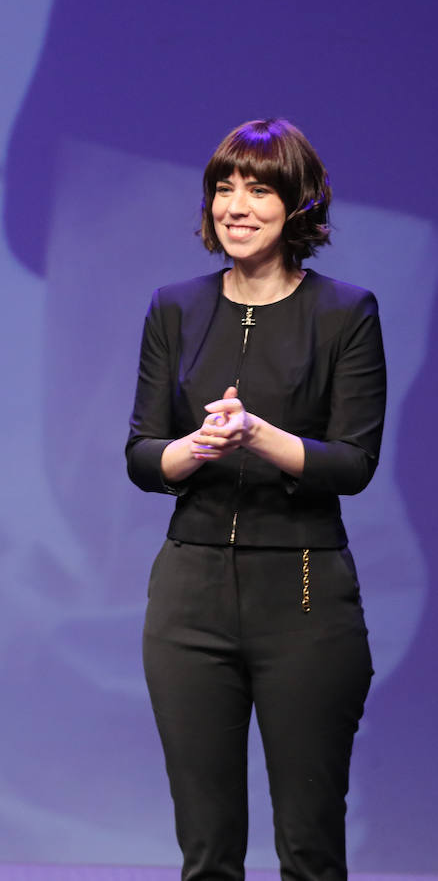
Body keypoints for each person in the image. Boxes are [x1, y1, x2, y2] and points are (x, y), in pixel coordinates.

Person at [126, 118, 382, 878]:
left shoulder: (344, 311)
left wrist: (258, 436)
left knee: (308, 845)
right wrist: (194, 449)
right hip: (189, 594)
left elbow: (355, 461)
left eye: (259, 189)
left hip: (302, 592)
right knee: (206, 851)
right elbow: (143, 452)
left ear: (298, 206)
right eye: (223, 188)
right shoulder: (175, 307)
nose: (235, 205)